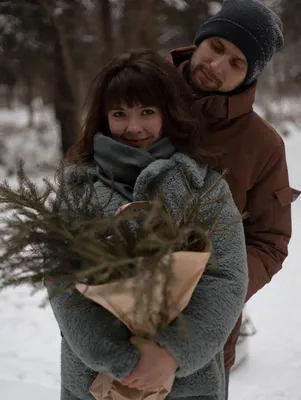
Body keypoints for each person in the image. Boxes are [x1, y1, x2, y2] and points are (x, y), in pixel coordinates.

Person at [46, 49, 248, 400]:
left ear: (168, 114)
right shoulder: (78, 190)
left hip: (188, 387)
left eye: (147, 112)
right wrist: (117, 357)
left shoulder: (203, 187)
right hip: (94, 384)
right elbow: (63, 282)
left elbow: (226, 279)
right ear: (103, 117)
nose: (133, 127)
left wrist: (172, 355)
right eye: (120, 113)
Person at [167, 0, 300, 397]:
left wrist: (216, 293)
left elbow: (269, 242)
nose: (219, 66)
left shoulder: (263, 145)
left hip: (204, 335)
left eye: (238, 64)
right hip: (112, 322)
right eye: (218, 48)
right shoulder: (139, 97)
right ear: (201, 39)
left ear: (249, 76)